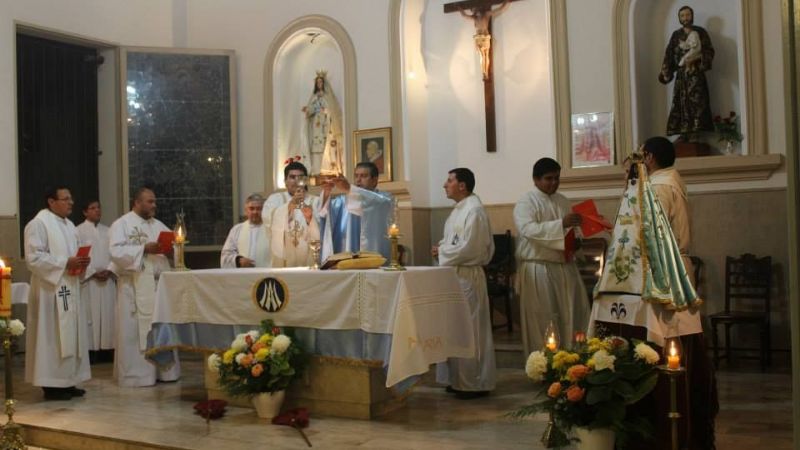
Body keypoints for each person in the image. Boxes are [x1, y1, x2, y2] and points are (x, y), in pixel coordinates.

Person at [641, 136, 717, 449]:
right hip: (679, 266)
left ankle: (670, 401)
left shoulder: (659, 186)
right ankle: (688, 397)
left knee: (667, 340)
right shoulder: (674, 180)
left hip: (666, 270)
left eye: (642, 157)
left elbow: (652, 233)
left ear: (649, 157)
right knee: (683, 338)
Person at [513, 158, 590, 356]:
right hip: (539, 268)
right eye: (549, 179)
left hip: (565, 267)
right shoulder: (526, 201)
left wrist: (577, 242)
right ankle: (544, 366)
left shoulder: (563, 200)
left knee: (572, 314)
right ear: (535, 179)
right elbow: (527, 229)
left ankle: (571, 361)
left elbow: (571, 231)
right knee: (544, 318)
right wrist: (560, 224)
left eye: (557, 178)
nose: (554, 183)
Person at [432, 168, 496, 399]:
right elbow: (451, 241)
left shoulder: (474, 211)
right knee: (455, 327)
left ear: (462, 185)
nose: (444, 185)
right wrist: (441, 249)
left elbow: (473, 248)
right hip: (454, 275)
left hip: (468, 276)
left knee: (471, 328)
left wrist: (442, 252)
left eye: (449, 180)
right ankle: (457, 379)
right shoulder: (458, 210)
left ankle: (474, 382)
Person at [24, 186, 91, 400]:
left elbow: (74, 254)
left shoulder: (70, 225)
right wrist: (65, 263)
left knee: (72, 334)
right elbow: (33, 258)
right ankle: (51, 385)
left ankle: (68, 381)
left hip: (69, 286)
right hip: (50, 291)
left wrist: (81, 262)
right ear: (51, 202)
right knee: (53, 336)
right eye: (65, 199)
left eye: (71, 198)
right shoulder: (38, 223)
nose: (71, 202)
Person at [109, 187, 181, 387]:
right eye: (150, 202)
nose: (154, 205)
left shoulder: (159, 225)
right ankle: (137, 375)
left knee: (160, 327)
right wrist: (143, 249)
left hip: (158, 287)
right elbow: (115, 252)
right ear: (137, 202)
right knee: (134, 333)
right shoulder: (122, 224)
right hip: (134, 287)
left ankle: (164, 372)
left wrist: (171, 250)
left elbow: (175, 249)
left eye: (154, 202)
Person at [658, 5, 715, 138]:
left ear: (692, 16)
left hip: (696, 74)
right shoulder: (676, 35)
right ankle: (684, 132)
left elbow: (709, 51)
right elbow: (669, 54)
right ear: (679, 18)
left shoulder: (700, 32)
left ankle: (696, 133)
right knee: (681, 103)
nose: (685, 18)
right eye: (682, 15)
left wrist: (697, 60)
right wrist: (666, 71)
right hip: (681, 76)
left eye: (687, 15)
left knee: (697, 102)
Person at [319, 161, 393, 262]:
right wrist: (327, 192)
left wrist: (349, 189)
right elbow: (325, 214)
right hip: (344, 256)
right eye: (356, 176)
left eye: (363, 176)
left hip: (371, 260)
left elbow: (376, 202)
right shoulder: (343, 200)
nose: (358, 180)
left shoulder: (384, 199)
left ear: (374, 180)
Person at [76, 200, 116, 363]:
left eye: (99, 207)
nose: (97, 210)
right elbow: (78, 255)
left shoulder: (108, 231)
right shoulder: (77, 231)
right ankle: (91, 351)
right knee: (90, 315)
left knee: (108, 315)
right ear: (85, 212)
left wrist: (110, 269)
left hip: (107, 279)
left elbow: (114, 253)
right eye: (92, 208)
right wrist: (92, 272)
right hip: (89, 281)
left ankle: (108, 350)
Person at [262, 161, 321, 267]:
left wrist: (310, 219)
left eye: (300, 177)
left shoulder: (316, 201)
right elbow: (268, 221)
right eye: (292, 177)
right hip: (284, 262)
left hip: (309, 260)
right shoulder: (275, 200)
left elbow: (323, 230)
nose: (297, 181)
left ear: (306, 181)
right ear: (285, 181)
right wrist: (289, 207)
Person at [301, 70, 344, 176]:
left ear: (324, 83)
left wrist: (324, 110)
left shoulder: (327, 96)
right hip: (316, 126)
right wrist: (308, 110)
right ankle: (315, 170)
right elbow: (311, 110)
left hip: (325, 125)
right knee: (315, 149)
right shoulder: (314, 97)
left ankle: (328, 169)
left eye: (321, 82)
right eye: (318, 82)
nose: (319, 84)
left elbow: (331, 110)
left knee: (327, 147)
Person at [458, 0, 511, 80]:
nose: (474, 10)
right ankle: (484, 72)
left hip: (485, 38)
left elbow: (499, 9)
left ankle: (485, 72)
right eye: (473, 9)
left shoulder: (486, 14)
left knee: (485, 55)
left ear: (479, 8)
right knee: (482, 56)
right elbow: (465, 16)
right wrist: (459, 8)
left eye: (475, 8)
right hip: (478, 39)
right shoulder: (474, 17)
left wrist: (505, 3)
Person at [220, 193, 270, 268]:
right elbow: (226, 255)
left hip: (266, 275)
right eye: (251, 208)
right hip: (243, 276)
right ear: (246, 210)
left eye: (259, 208)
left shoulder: (272, 229)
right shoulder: (237, 230)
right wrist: (238, 261)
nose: (255, 212)